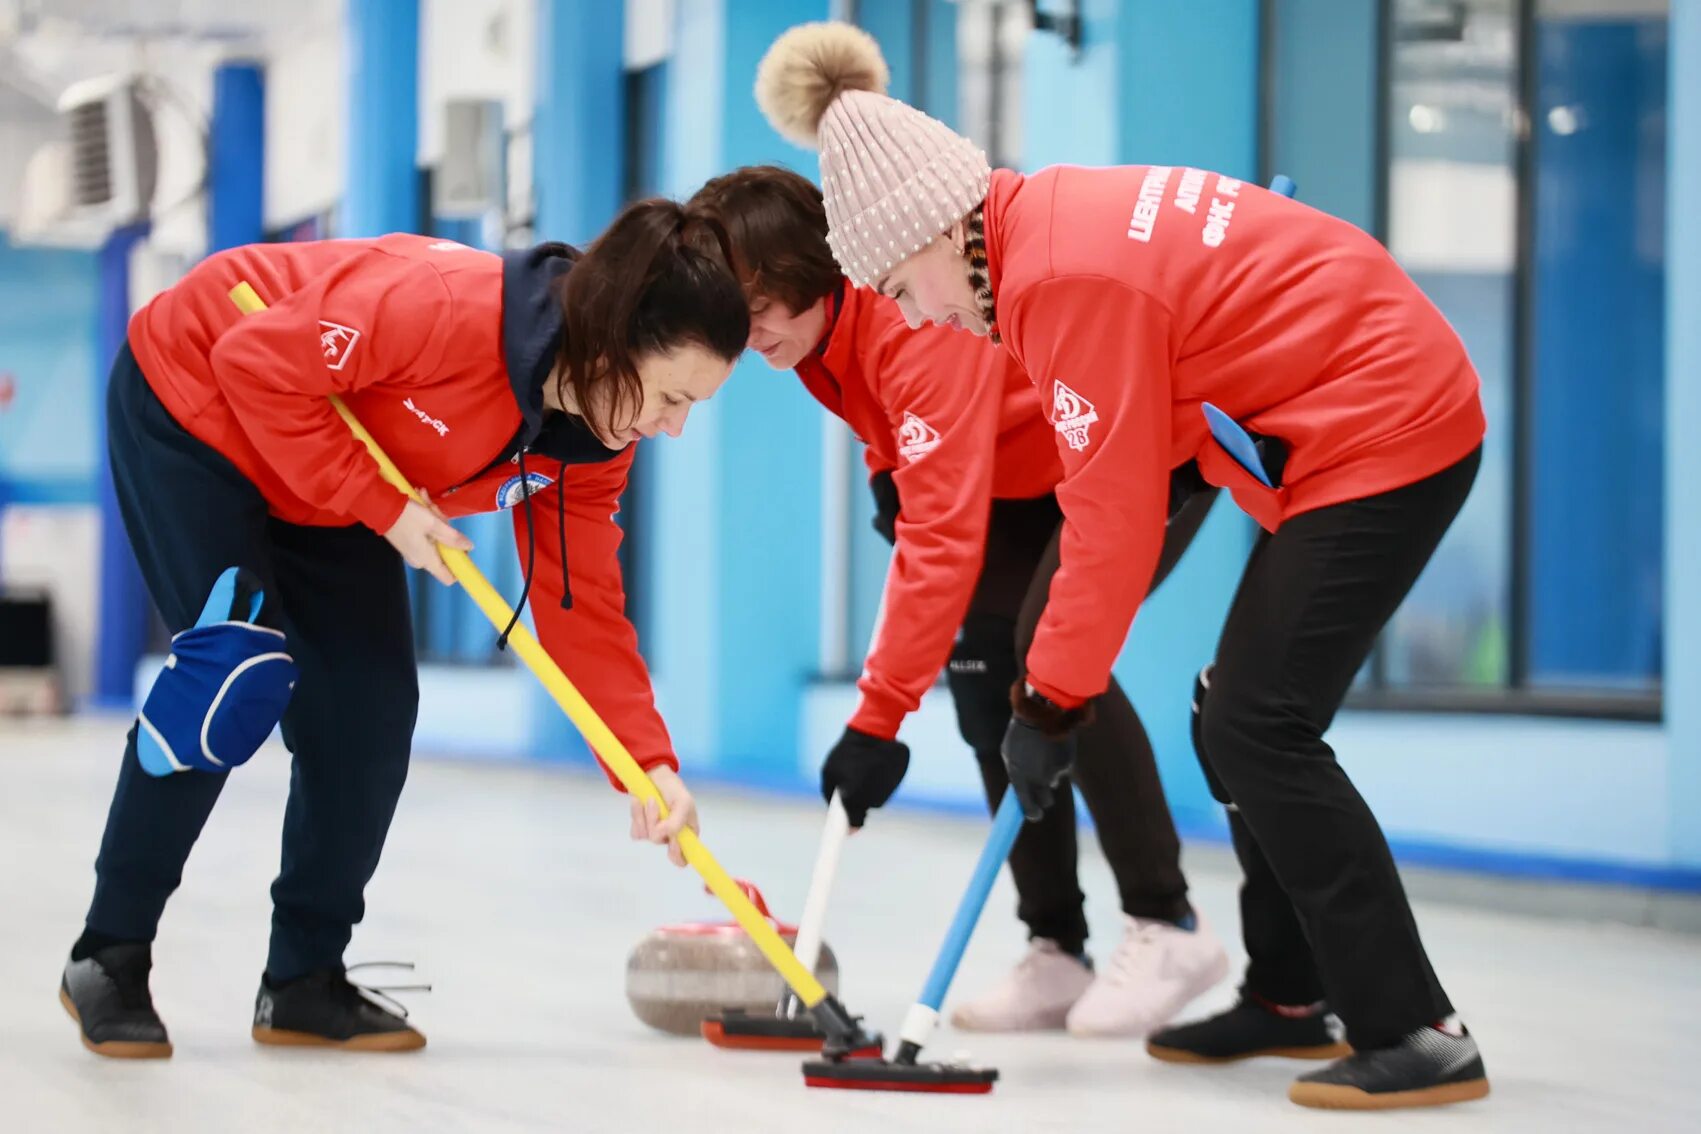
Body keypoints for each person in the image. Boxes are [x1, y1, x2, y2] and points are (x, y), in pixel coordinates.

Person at [752, 22, 1490, 1111]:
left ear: (943, 231)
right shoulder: (1038, 224)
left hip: (1386, 424)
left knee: (1256, 721)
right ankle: (1294, 995)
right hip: (1342, 420)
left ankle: (1417, 1029)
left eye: (906, 287)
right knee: (1225, 706)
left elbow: (1107, 518)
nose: (920, 317)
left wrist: (1052, 700)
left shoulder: (1061, 282)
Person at [61, 201, 750, 1059]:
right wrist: (384, 505)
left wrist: (643, 762)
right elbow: (253, 363)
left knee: (369, 713)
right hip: (203, 405)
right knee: (232, 673)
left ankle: (303, 980)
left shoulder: (597, 440)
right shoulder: (441, 306)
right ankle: (109, 953)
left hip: (328, 470)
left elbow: (581, 605)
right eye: (672, 396)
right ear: (610, 341)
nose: (673, 427)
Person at [686, 165, 1229, 1038]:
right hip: (1022, 465)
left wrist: (875, 722)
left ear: (807, 272)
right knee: (983, 676)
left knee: (1053, 652)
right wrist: (883, 471)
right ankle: (1054, 944)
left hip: (1140, 440)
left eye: (754, 313)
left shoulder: (910, 324)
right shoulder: (810, 340)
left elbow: (939, 537)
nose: (746, 340)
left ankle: (1166, 923)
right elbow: (885, 418)